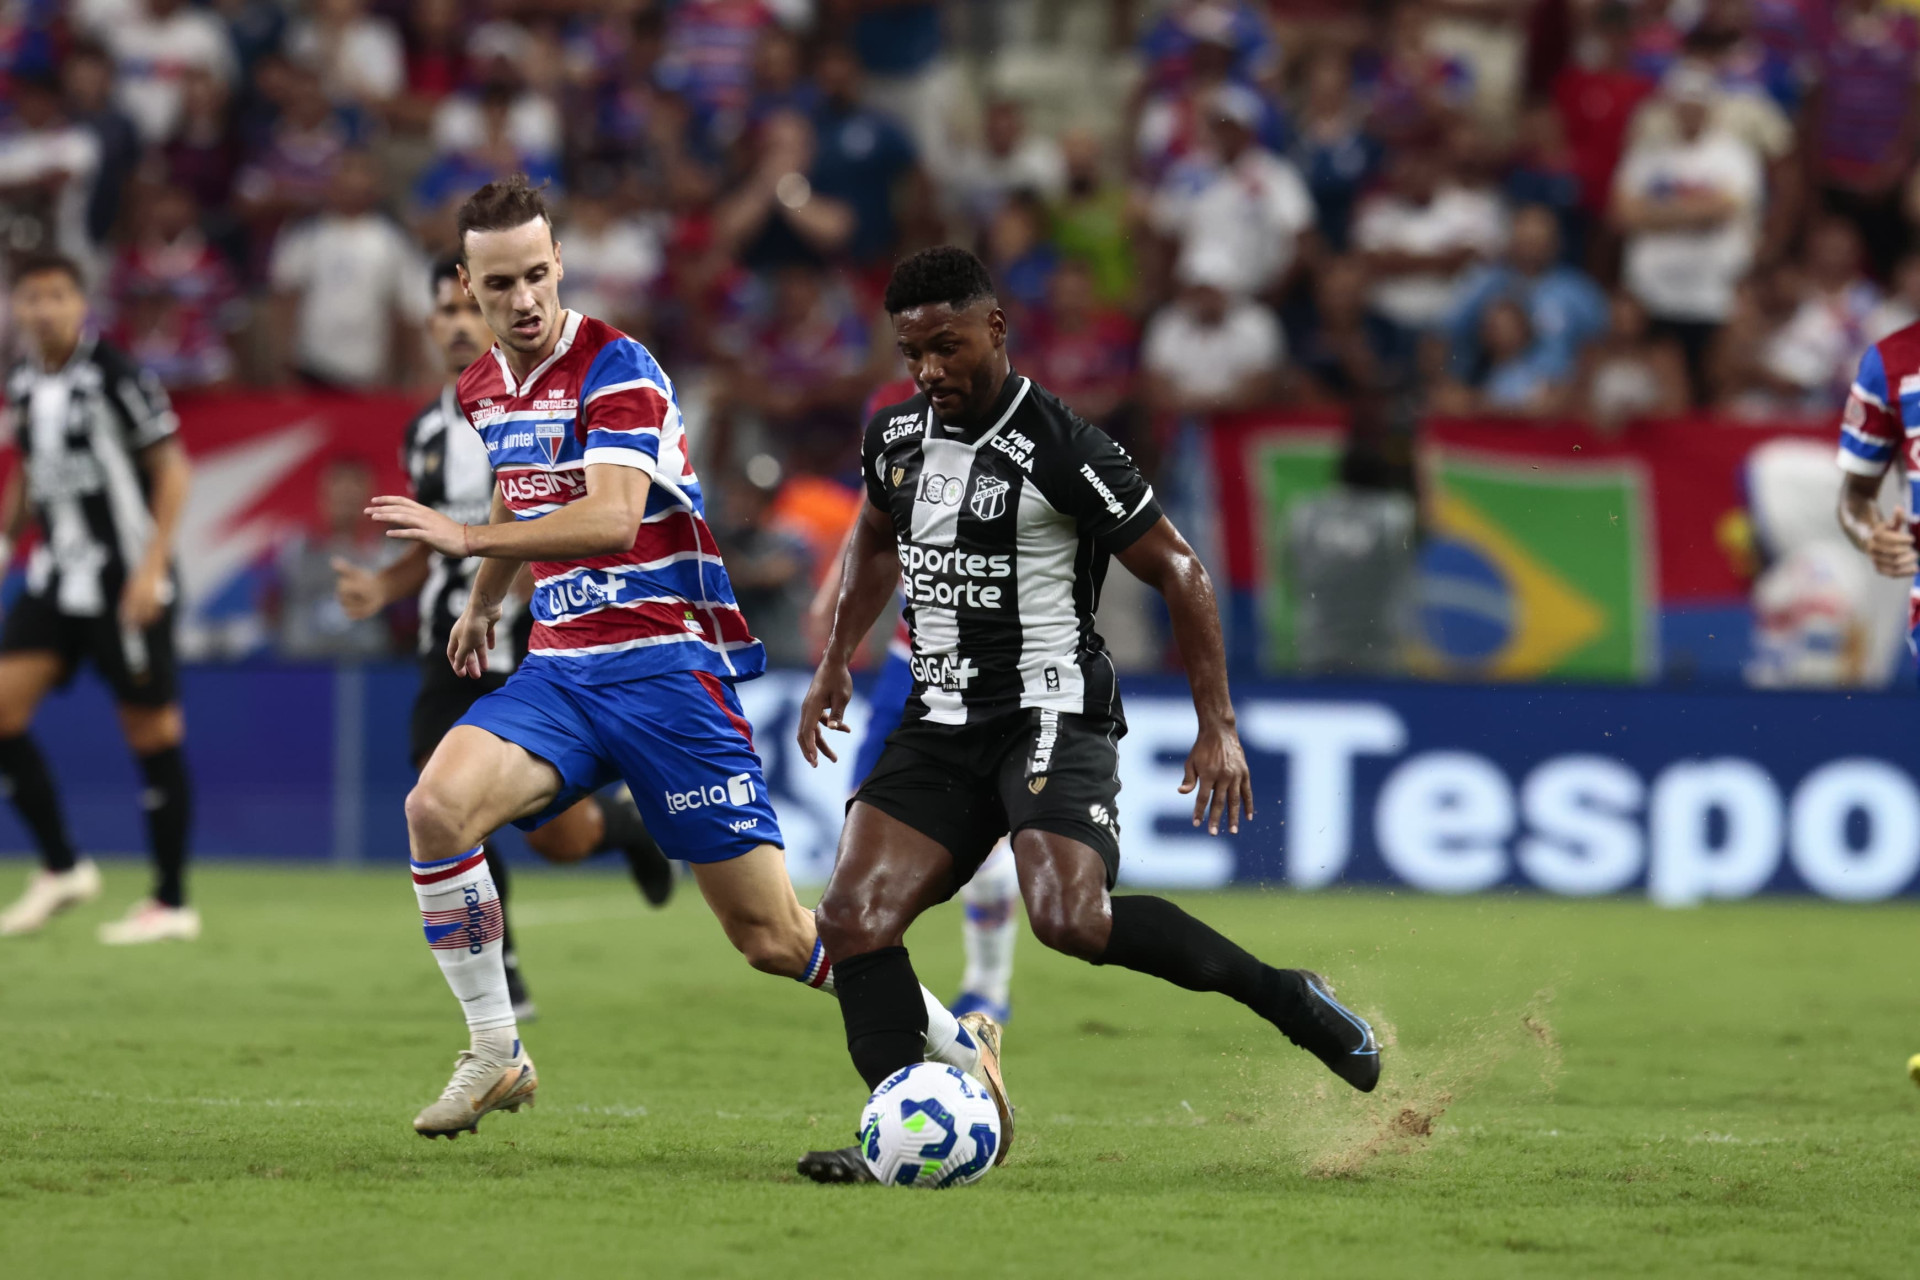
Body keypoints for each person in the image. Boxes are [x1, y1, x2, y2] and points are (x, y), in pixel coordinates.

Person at [363, 176, 988, 1140]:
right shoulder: (483, 386)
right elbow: (518, 492)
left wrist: (467, 548)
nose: (523, 300)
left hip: (666, 672)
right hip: (561, 668)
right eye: (500, 285)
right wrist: (486, 605)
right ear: (466, 284)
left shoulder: (618, 367)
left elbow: (612, 517)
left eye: (537, 275)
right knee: (436, 809)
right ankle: (496, 1047)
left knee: (774, 939)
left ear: (560, 264)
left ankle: (957, 1041)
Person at [792, 247, 1381, 1185]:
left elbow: (1180, 567)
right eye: (912, 353)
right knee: (853, 919)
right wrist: (833, 662)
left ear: (995, 328)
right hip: (938, 718)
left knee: (1070, 917)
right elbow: (874, 535)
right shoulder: (896, 438)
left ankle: (1286, 995)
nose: (930, 371)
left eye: (946, 347)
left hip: (1049, 713)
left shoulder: (1064, 447)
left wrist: (1217, 724)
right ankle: (902, 1131)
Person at [333, 255, 680, 1020]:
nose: (459, 325)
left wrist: (495, 582)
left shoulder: (557, 395)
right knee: (441, 796)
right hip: (449, 644)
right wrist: (385, 587)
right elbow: (434, 549)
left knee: (552, 834)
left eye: (467, 311)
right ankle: (504, 972)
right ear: (431, 325)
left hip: (535, 643)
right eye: (446, 313)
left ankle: (621, 827)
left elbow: (538, 514)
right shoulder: (428, 429)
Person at [807, 374, 1023, 1027]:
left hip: (984, 668)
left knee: (976, 834)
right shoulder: (888, 406)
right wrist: (832, 601)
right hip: (907, 661)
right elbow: (873, 511)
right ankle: (877, 969)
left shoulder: (1016, 420)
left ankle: (988, 985)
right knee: (864, 812)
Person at [0, 254, 196, 945]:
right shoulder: (22, 380)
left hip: (123, 580)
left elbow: (172, 467)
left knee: (151, 733)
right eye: (31, 297)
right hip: (56, 577)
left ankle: (171, 901)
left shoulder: (114, 374)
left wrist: (151, 568)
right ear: (16, 307)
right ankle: (62, 866)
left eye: (57, 294)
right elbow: (29, 467)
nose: (45, 309)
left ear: (82, 303)